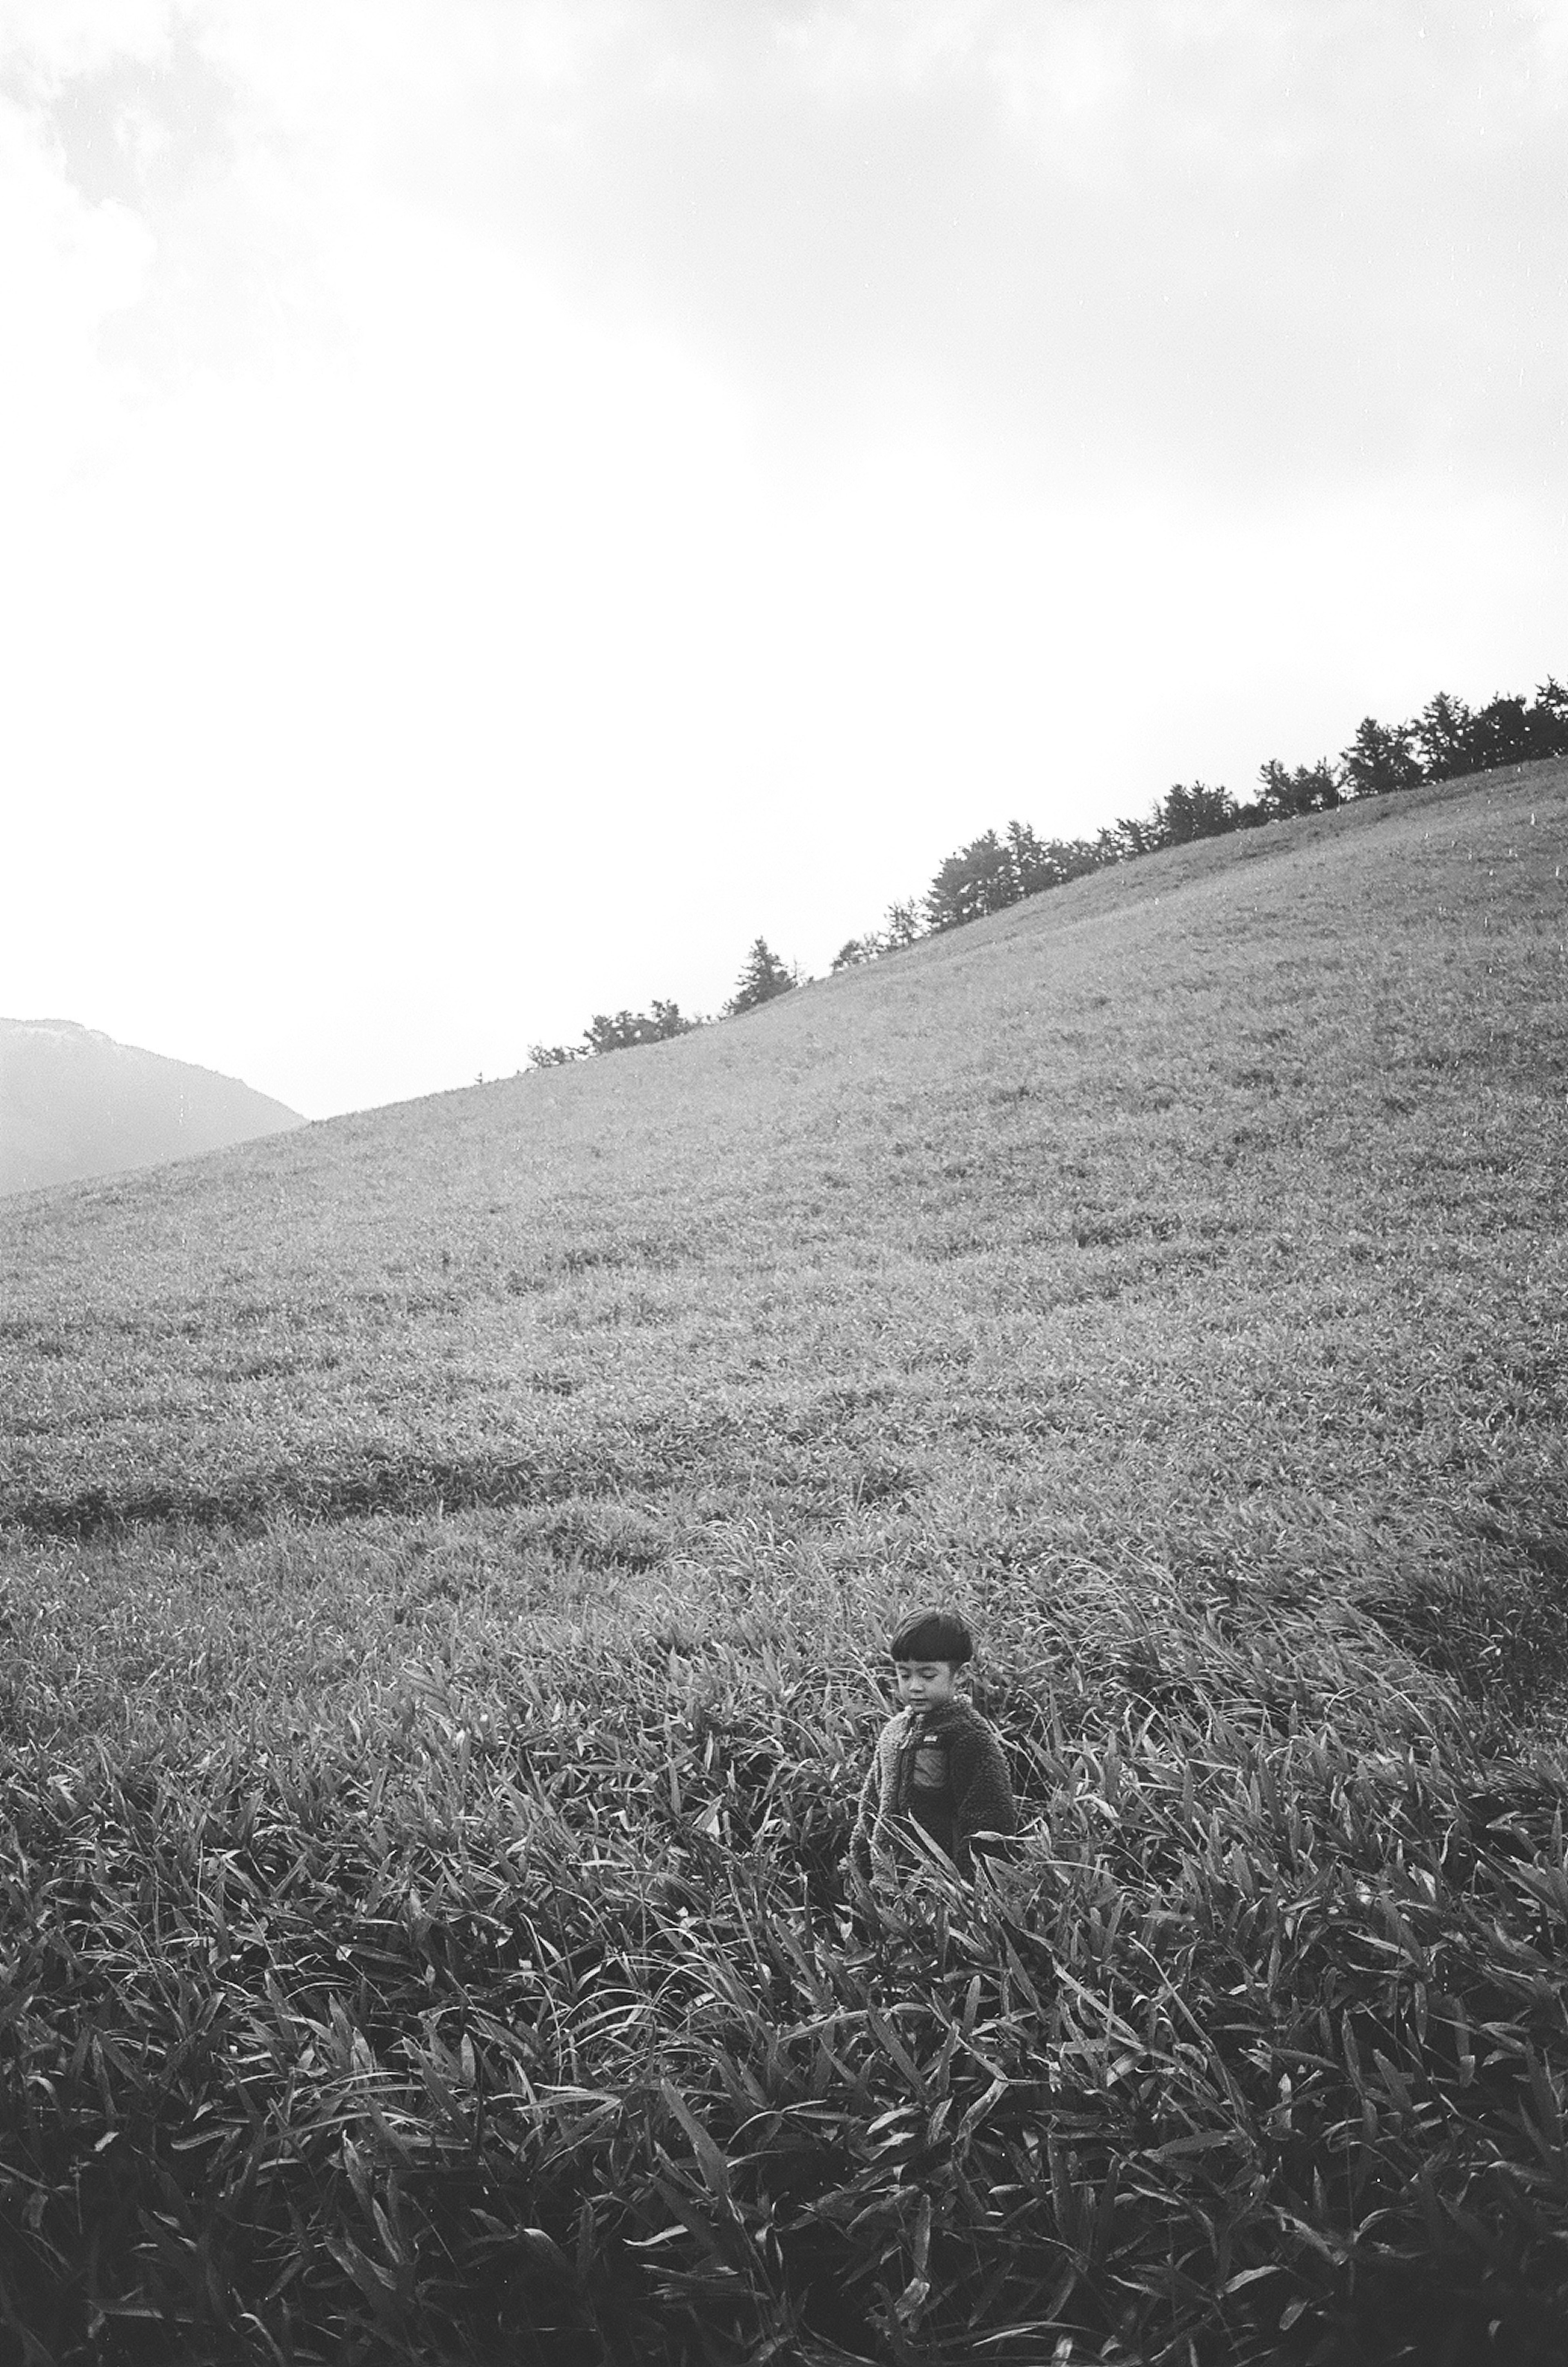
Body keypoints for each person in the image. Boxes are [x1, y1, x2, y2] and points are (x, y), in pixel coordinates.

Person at [851, 1607, 1017, 1885]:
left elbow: (989, 1818)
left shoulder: (967, 1735)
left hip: (943, 1888)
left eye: (928, 1676)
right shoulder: (893, 1733)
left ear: (960, 1676)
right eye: (905, 1675)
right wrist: (857, 1869)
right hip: (887, 1882)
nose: (915, 1687)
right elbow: (870, 1809)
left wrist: (971, 1889)